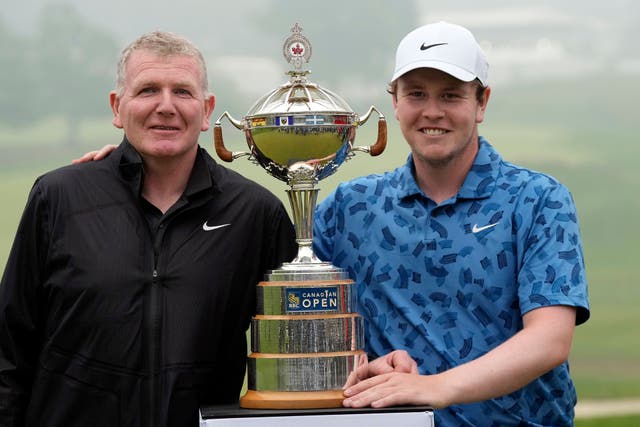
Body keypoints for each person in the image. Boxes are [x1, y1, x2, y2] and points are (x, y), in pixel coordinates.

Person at [0, 31, 297, 427]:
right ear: (117, 106)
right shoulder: (59, 198)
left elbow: (293, 356)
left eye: (183, 92)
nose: (166, 106)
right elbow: (10, 348)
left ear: (207, 110)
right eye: (147, 90)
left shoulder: (256, 214)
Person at [313, 22, 590, 426]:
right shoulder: (348, 208)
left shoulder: (537, 200)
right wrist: (365, 362)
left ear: (481, 103)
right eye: (416, 94)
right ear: (395, 102)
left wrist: (436, 387)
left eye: (451, 95)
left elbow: (549, 340)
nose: (432, 111)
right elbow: (311, 327)